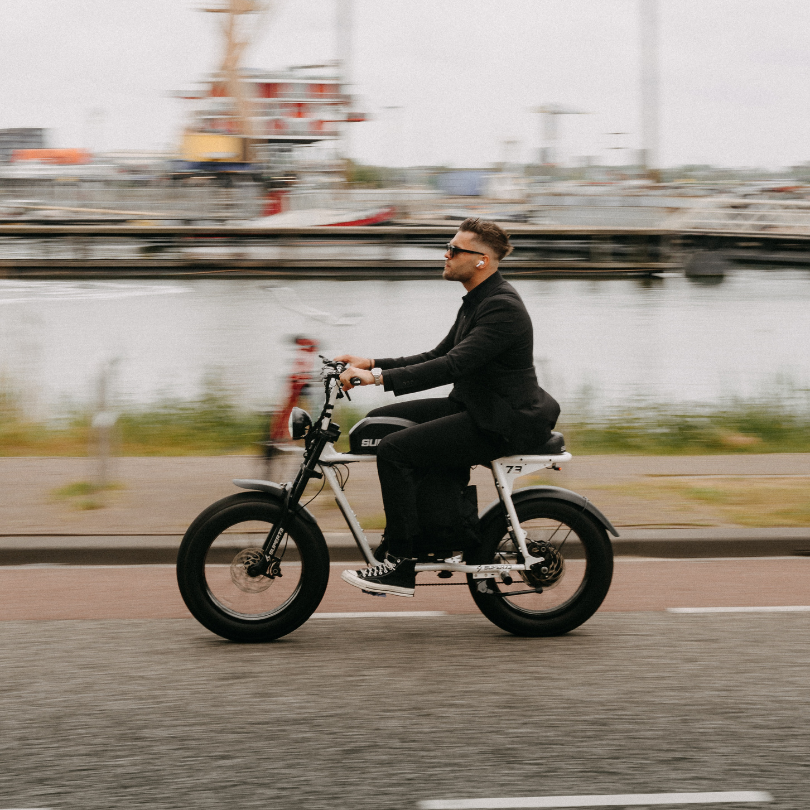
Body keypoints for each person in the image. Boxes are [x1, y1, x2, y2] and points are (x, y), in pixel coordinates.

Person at [335, 217, 560, 598]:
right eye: (449, 247)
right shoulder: (478, 301)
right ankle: (421, 535)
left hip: (501, 420)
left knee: (394, 450)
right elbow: (439, 354)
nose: (446, 254)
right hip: (476, 406)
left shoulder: (502, 307)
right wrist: (374, 364)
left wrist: (376, 381)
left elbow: (453, 366)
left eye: (455, 249)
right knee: (379, 425)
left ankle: (401, 563)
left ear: (481, 261)